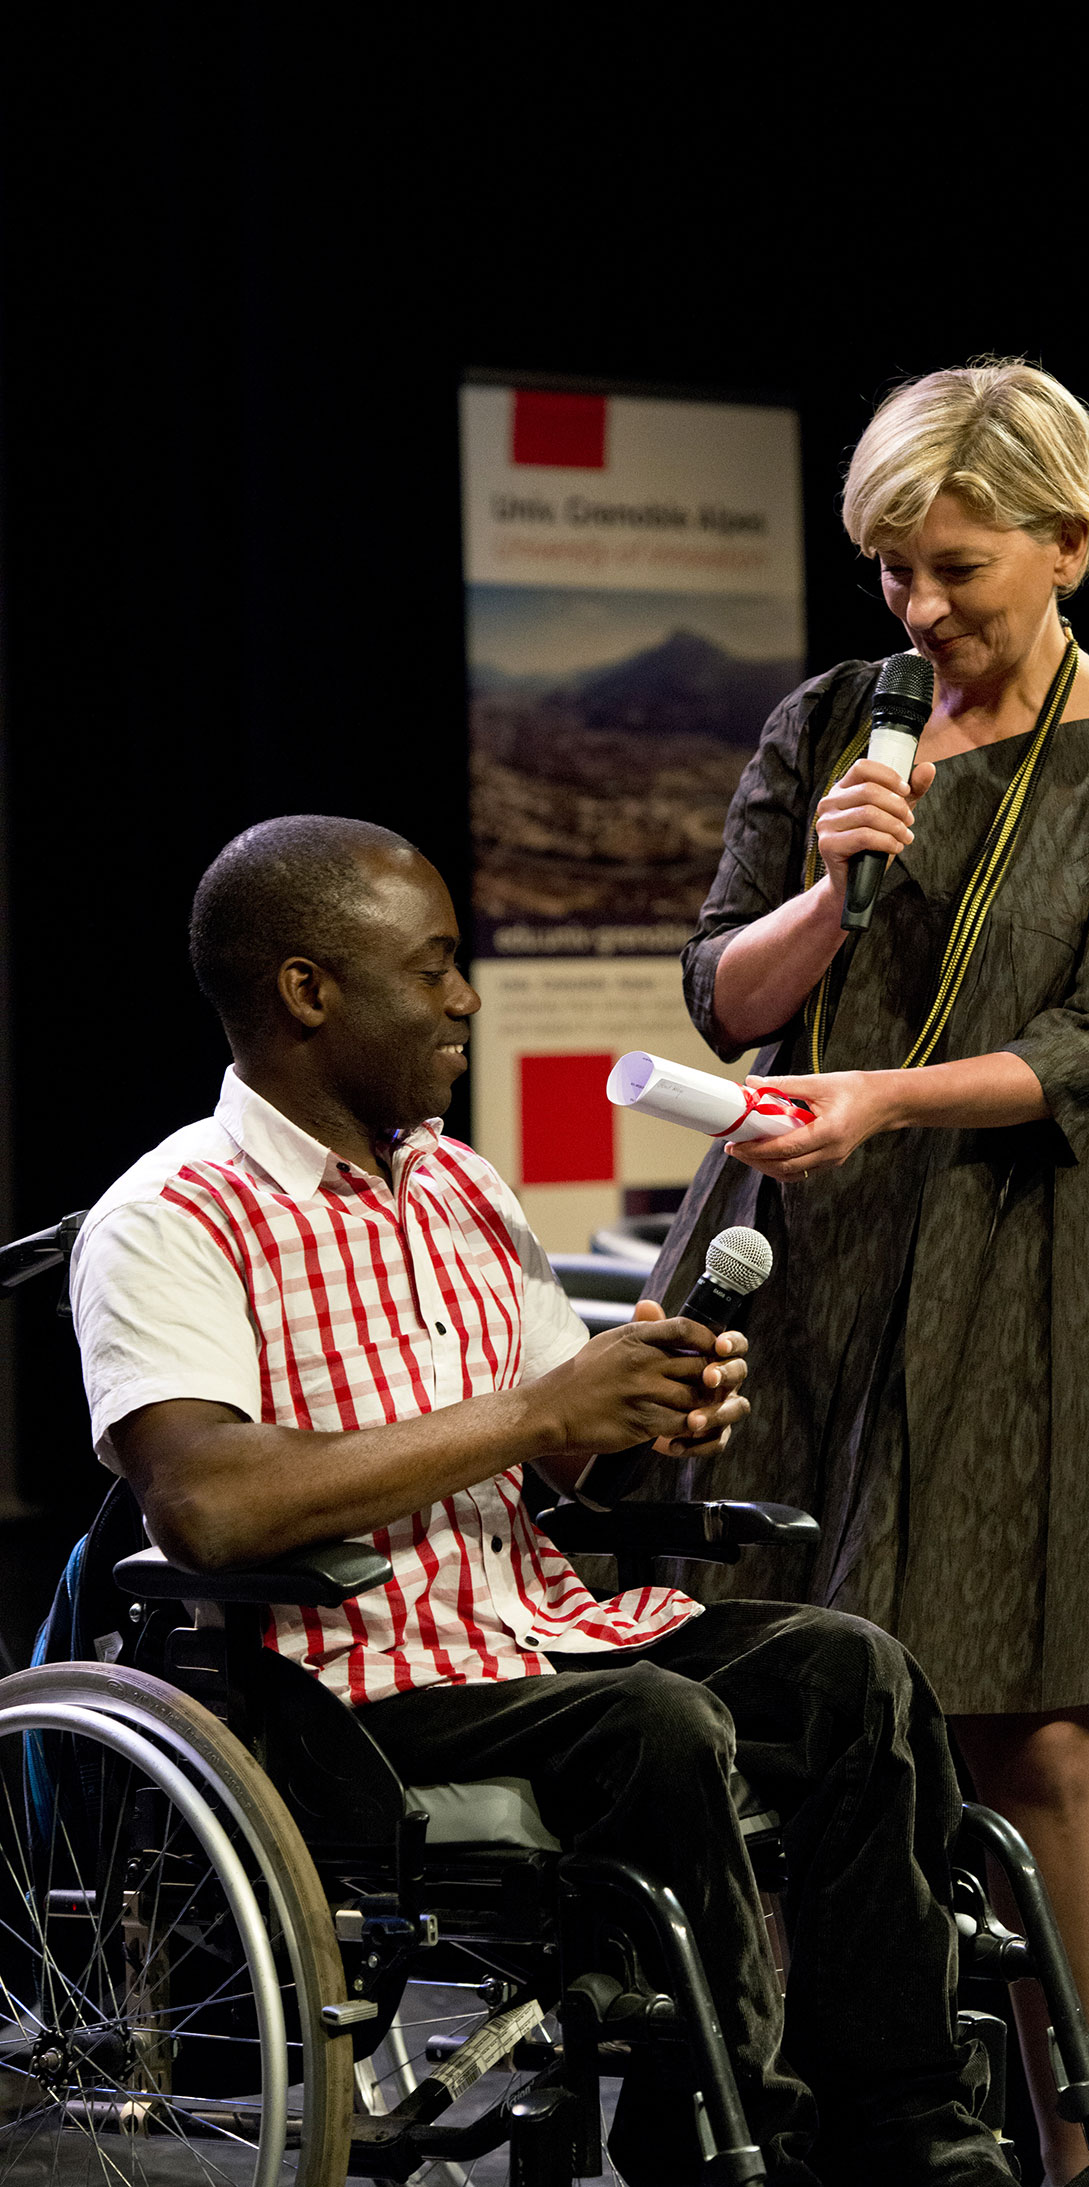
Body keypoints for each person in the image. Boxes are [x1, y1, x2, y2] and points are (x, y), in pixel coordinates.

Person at [68, 813, 1012, 2187]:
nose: (465, 998)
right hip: (339, 1683)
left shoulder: (457, 1184)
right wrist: (534, 1413)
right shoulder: (172, 1215)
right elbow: (201, 1507)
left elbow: (556, 1452)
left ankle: (915, 2135)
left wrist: (634, 1405)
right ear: (308, 990)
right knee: (658, 1729)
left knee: (848, 1675)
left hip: (531, 1627)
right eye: (435, 966)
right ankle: (721, 2145)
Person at [650, 361, 1089, 2186]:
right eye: (894, 570)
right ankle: (809, 2123)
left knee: (1034, 1729)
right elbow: (723, 992)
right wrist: (828, 890)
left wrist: (884, 1097)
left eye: (957, 569)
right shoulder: (832, 721)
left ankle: (1071, 2154)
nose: (920, 609)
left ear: (1071, 544)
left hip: (1016, 1264)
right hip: (795, 1253)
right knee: (780, 1700)